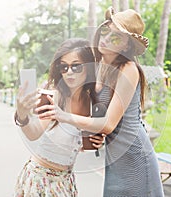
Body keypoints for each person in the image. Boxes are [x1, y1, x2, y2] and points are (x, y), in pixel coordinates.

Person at [38, 7, 164, 196]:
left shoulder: (128, 69)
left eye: (115, 38)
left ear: (126, 46)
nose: (105, 39)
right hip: (114, 157)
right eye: (105, 32)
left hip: (135, 156)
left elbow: (108, 124)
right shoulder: (100, 66)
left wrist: (63, 116)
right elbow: (75, 87)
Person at [14, 38, 105, 197]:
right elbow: (33, 133)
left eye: (76, 66)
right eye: (64, 67)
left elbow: (71, 140)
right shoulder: (54, 96)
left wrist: (88, 143)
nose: (69, 72)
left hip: (66, 181)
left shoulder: (91, 102)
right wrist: (22, 116)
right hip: (41, 181)